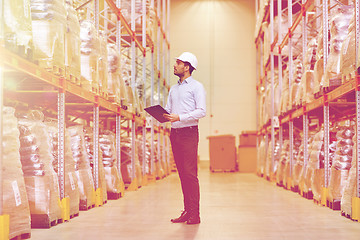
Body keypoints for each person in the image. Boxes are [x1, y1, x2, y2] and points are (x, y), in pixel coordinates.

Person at [164, 52, 206, 225]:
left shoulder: (197, 87)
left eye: (178, 62)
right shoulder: (173, 89)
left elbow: (201, 111)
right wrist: (161, 114)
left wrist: (179, 117)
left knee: (190, 174)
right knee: (182, 174)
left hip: (189, 132)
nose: (175, 65)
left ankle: (195, 214)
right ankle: (187, 211)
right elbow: (168, 110)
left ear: (187, 67)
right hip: (175, 133)